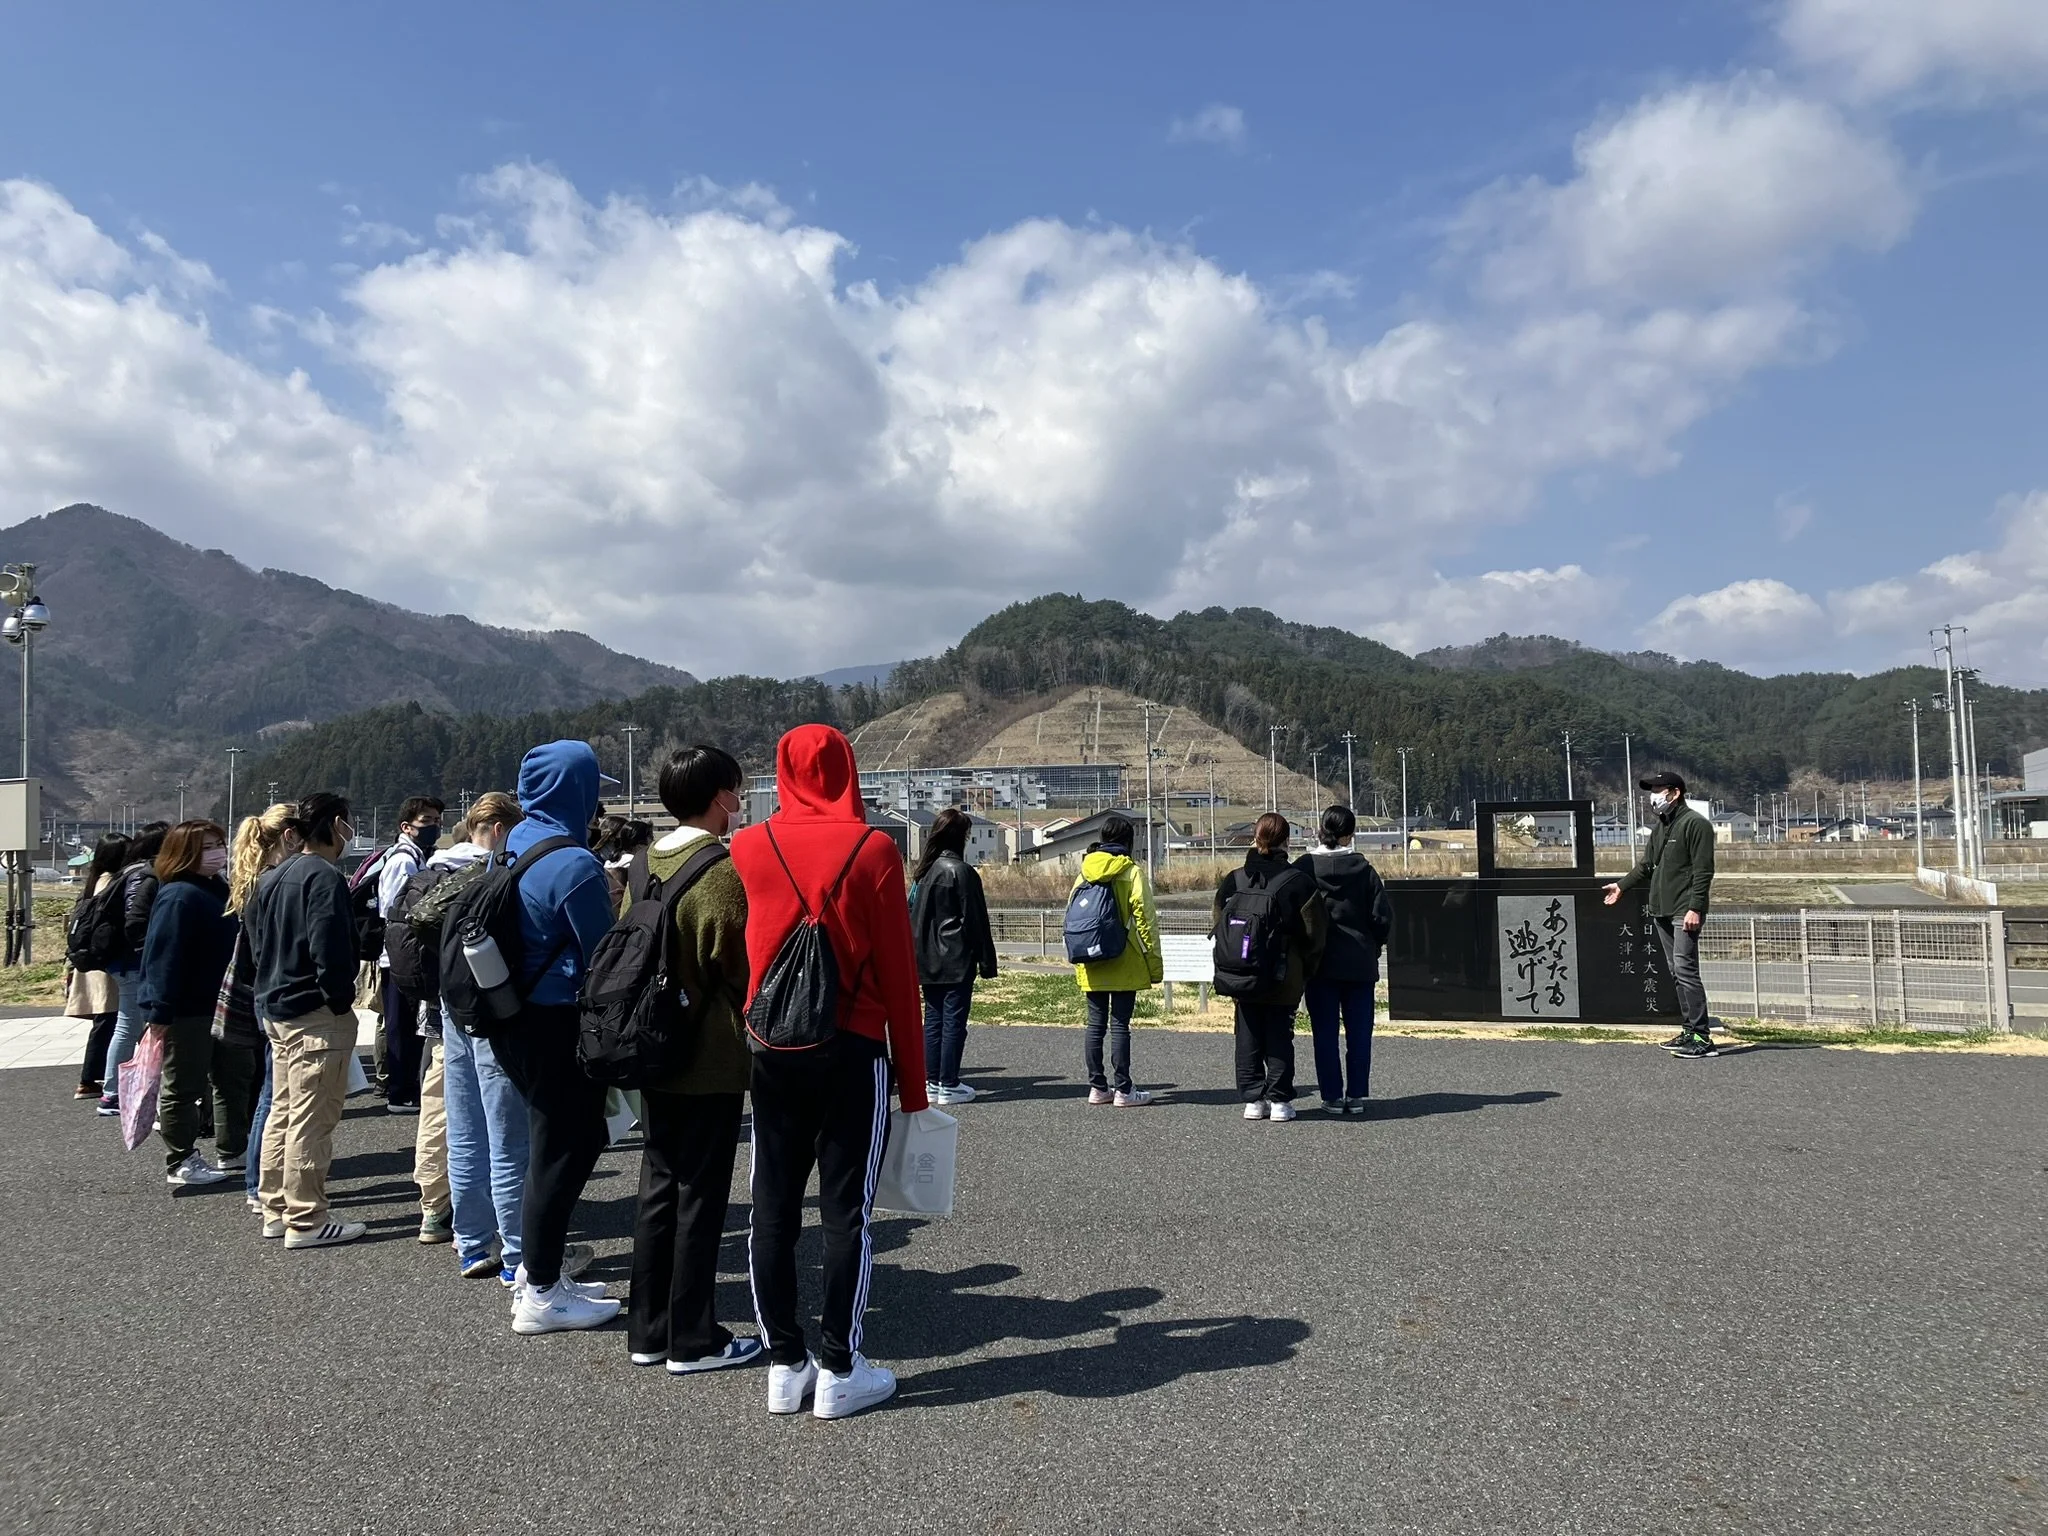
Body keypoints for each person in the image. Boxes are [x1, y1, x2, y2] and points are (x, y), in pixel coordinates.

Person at [731, 724, 928, 1420]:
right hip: (852, 1049)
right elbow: (902, 978)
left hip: (772, 1048)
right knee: (849, 1213)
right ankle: (841, 1365)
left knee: (772, 1208)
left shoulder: (748, 846)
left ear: (781, 771)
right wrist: (914, 1085)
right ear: (846, 769)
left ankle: (784, 1363)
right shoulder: (875, 849)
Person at [627, 745, 762, 1375]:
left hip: (649, 1045)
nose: (739, 797)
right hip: (705, 1055)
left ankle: (648, 1330)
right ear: (721, 797)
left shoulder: (642, 863)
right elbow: (737, 970)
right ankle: (694, 1337)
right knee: (701, 1194)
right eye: (735, 788)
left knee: (658, 1185)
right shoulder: (721, 873)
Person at [495, 742, 621, 1334]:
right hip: (557, 1022)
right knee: (564, 1148)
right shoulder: (573, 864)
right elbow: (607, 954)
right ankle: (543, 1290)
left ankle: (538, 1273)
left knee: (553, 1142)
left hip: (511, 1019)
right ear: (579, 790)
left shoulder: (516, 841)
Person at [429, 792, 541, 1283]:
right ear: (498, 828)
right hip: (493, 1013)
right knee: (508, 1140)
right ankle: (518, 1258)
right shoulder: (499, 874)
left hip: (450, 1007)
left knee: (465, 1131)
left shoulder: (434, 870)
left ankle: (472, 1245)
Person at [247, 792, 367, 1248]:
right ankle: (307, 1219)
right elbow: (332, 951)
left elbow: (257, 945)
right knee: (312, 1120)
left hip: (275, 1005)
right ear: (337, 825)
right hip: (314, 1012)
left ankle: (275, 1206)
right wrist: (339, 999)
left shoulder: (273, 876)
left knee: (283, 1110)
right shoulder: (324, 877)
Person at [139, 820, 241, 1186]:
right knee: (183, 1086)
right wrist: (160, 1011)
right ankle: (180, 1158)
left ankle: (233, 1149)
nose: (218, 852)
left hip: (221, 1004)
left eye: (219, 844)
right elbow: (164, 957)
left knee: (229, 1080)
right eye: (208, 846)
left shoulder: (216, 887)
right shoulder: (179, 895)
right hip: (188, 1009)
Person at [1214, 813, 1326, 1123]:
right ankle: (1279, 1101)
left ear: (1255, 837)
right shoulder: (1299, 882)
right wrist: (1305, 969)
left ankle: (1253, 1099)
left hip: (1239, 972)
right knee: (1279, 1035)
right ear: (1287, 841)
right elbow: (1314, 934)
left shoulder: (1234, 879)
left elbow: (1218, 923)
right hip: (1283, 974)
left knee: (1247, 1034)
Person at [1605, 770, 1718, 1058]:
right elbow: (1645, 866)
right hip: (1661, 910)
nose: (1653, 796)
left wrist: (1696, 907)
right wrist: (1621, 886)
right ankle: (1688, 1030)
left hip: (1684, 910)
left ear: (1675, 792)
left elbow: (1704, 871)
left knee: (1686, 969)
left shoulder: (1696, 825)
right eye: (1651, 790)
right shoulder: (1662, 827)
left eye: (1658, 789)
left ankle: (1702, 1038)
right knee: (1674, 971)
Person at [224, 805, 299, 1213]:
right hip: (276, 996)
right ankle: (259, 1183)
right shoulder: (273, 882)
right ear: (289, 834)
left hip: (261, 995)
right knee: (274, 1096)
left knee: (271, 1094)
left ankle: (259, 1181)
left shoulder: (251, 880)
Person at [1301, 805, 1393, 1114]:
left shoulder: (1304, 867)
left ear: (1321, 829)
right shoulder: (1364, 869)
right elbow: (1382, 917)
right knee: (1359, 1033)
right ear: (1350, 835)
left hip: (1319, 964)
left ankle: (1331, 1096)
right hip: (1360, 962)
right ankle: (1356, 1095)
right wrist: (1375, 944)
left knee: (1324, 1033)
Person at [1069, 813, 1163, 1108]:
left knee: (1095, 1025)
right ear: (1128, 841)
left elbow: (1072, 916)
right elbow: (1146, 920)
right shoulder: (1131, 872)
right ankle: (1124, 1089)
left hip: (1091, 959)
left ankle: (1098, 1087)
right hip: (1124, 959)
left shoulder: (1084, 871)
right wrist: (1154, 963)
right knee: (1120, 1025)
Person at [910, 807, 998, 1105]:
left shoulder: (924, 873)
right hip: (956, 959)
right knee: (954, 1023)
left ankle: (932, 1081)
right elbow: (976, 921)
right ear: (961, 837)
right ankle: (949, 1082)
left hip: (927, 959)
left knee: (932, 1021)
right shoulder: (962, 872)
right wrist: (987, 962)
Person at [95, 821, 170, 1117]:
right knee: (128, 1026)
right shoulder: (142, 875)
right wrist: (148, 954)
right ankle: (112, 1094)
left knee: (129, 1026)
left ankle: (117, 1090)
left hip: (125, 961)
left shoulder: (131, 871)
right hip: (131, 963)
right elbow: (135, 922)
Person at [378, 795, 446, 1114]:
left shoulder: (418, 855)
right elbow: (394, 909)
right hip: (399, 955)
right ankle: (400, 1090)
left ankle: (405, 1086)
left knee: (407, 1024)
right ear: (407, 826)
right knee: (401, 1024)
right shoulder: (403, 859)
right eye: (427, 821)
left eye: (436, 820)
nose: (434, 826)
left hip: (404, 953)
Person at [66, 834, 127, 1102]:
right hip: (103, 963)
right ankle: (89, 1080)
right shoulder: (110, 883)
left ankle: (94, 1078)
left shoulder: (93, 882)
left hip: (91, 961)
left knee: (108, 1019)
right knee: (108, 1019)